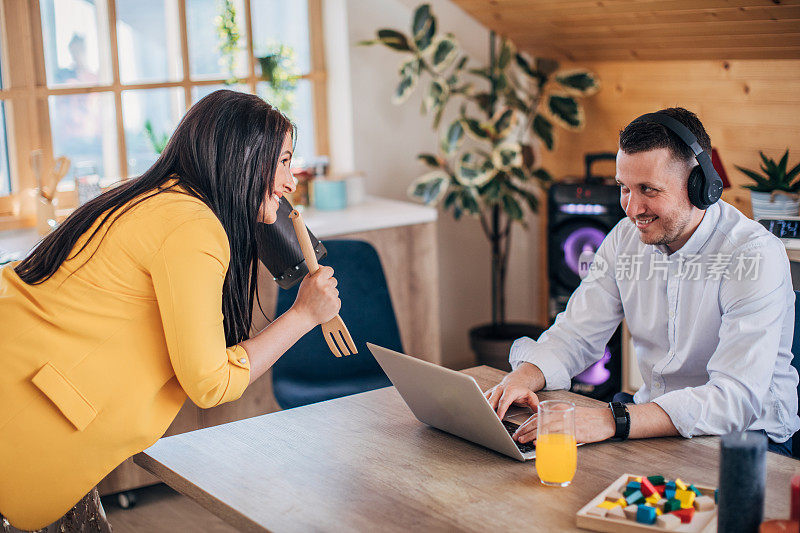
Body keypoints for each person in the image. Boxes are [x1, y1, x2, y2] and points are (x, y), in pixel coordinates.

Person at [0, 90, 341, 531]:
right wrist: (304, 316)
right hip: (25, 420)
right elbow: (210, 382)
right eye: (282, 162)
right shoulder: (193, 227)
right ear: (242, 159)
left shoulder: (151, 198)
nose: (291, 181)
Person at [485, 107, 799, 456]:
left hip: (748, 439)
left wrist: (610, 421)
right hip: (651, 423)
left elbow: (736, 399)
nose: (632, 209)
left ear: (701, 187)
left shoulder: (753, 254)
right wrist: (523, 376)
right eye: (624, 188)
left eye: (648, 189)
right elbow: (576, 333)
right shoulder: (625, 239)